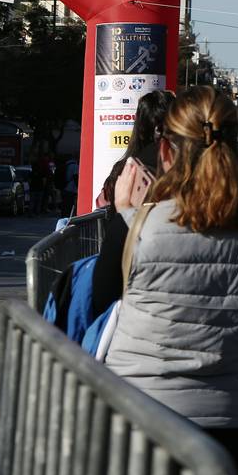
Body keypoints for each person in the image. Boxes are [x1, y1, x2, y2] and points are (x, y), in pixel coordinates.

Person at [105, 87, 238, 475]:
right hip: (229, 422)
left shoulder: (141, 227)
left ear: (166, 151)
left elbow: (102, 303)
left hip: (142, 412)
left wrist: (125, 214)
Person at [91, 90, 175, 318]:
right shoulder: (197, 182)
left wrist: (124, 211)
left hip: (131, 280)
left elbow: (102, 295)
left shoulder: (125, 171)